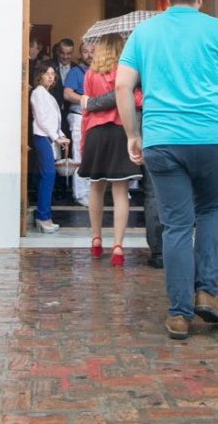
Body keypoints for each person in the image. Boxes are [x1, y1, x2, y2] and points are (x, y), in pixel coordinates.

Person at [115, 0, 218, 340]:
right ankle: (206, 291)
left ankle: (179, 314)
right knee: (211, 211)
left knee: (177, 224)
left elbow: (122, 86)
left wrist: (133, 133)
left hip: (161, 138)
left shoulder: (144, 32)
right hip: (210, 137)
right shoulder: (216, 28)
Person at [79, 34, 142, 266]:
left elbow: (85, 111)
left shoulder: (90, 74)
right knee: (120, 190)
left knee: (95, 188)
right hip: (120, 131)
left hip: (96, 132)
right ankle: (117, 246)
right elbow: (136, 99)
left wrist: (83, 142)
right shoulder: (126, 72)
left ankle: (96, 240)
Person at [29, 62, 68, 233]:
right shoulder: (38, 93)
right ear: (40, 75)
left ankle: (45, 216)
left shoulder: (48, 95)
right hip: (42, 137)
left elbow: (54, 121)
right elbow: (42, 120)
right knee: (49, 174)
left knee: (47, 175)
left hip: (49, 137)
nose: (51, 77)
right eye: (47, 73)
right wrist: (55, 137)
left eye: (53, 73)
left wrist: (60, 135)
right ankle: (42, 216)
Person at [62, 40, 95, 207]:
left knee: (93, 156)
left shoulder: (99, 71)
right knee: (79, 155)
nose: (89, 54)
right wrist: (85, 100)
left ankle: (90, 191)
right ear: (80, 54)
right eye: (85, 51)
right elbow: (67, 94)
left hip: (95, 117)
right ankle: (80, 193)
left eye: (92, 51)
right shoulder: (76, 71)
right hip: (79, 116)